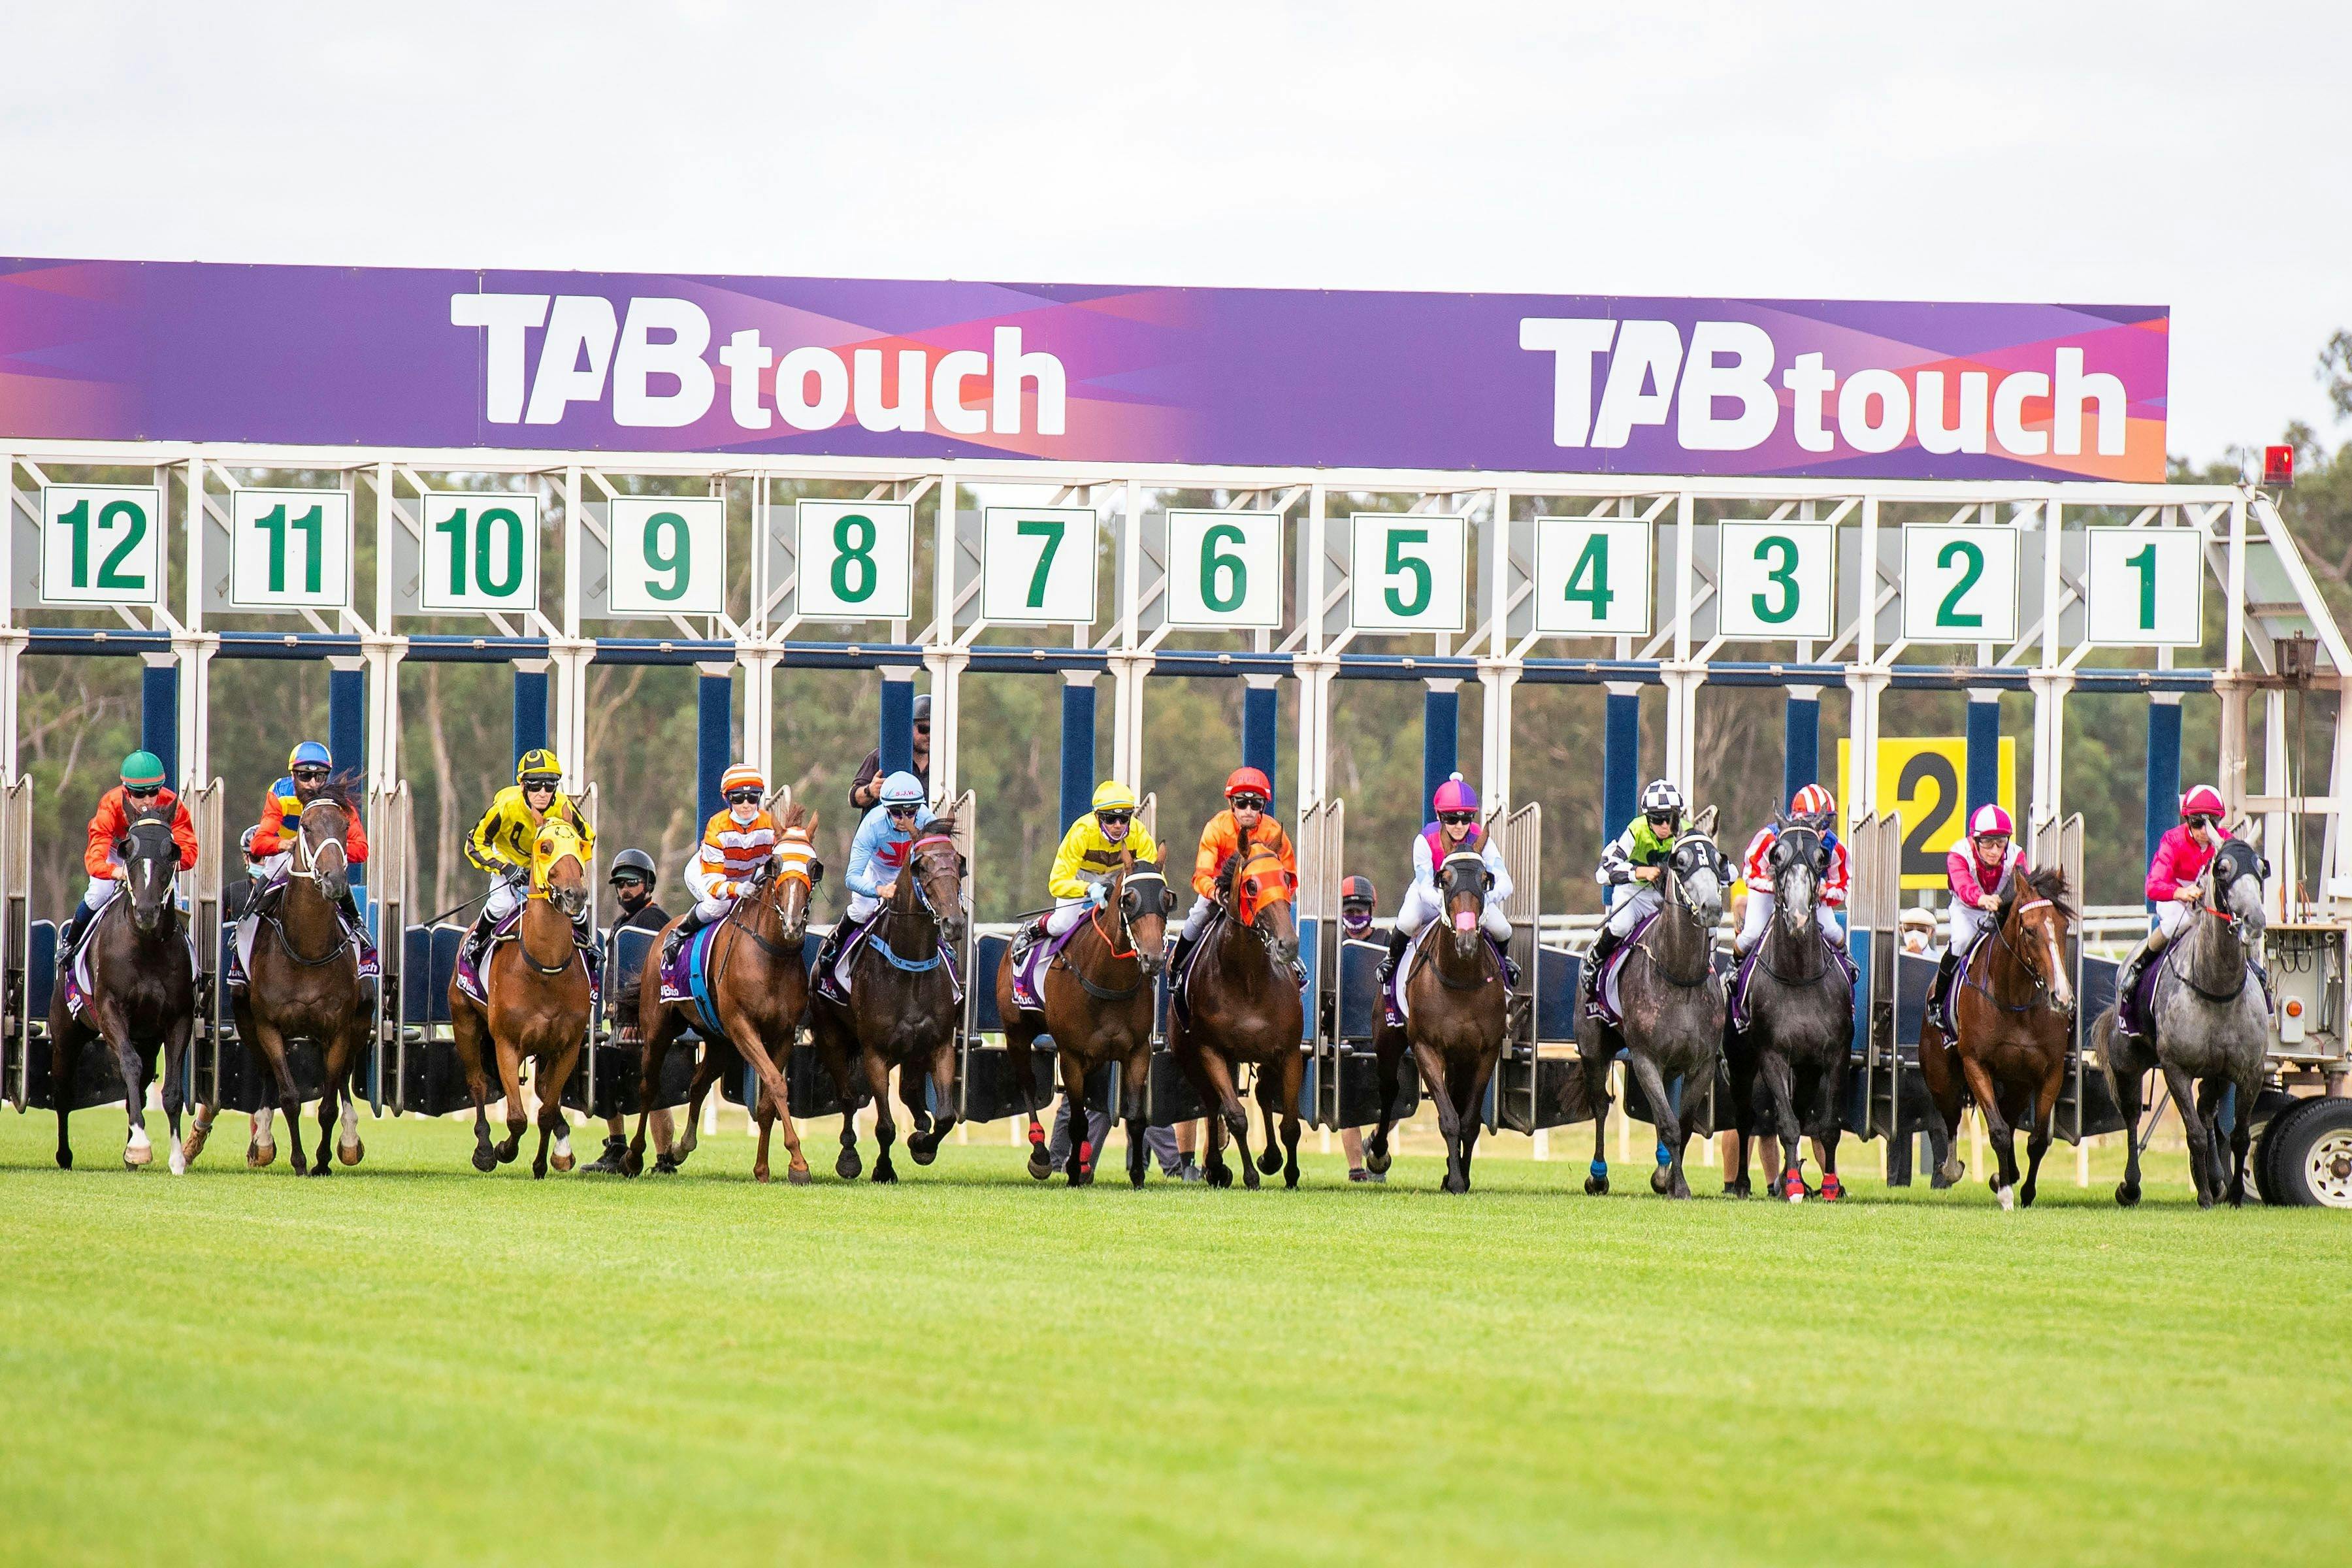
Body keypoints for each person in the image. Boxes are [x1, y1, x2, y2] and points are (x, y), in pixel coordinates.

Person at [1376, 774, 1515, 1026]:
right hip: (1432, 896)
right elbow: (1424, 885)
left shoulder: (1481, 840)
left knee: (1503, 928)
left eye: (1466, 819)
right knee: (1407, 921)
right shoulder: (1424, 840)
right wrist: (1447, 905)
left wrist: (1484, 899)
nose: (1460, 826)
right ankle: (1392, 962)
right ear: (1440, 817)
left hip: (1469, 902)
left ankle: (1504, 966)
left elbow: (1505, 881)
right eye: (1452, 819)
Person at [456, 749, 598, 973]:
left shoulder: (563, 806)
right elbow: (474, 843)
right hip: (509, 861)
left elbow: (587, 838)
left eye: (549, 786)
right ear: (523, 786)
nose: (542, 793)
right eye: (535, 786)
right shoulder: (505, 807)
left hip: (547, 869)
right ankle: (477, 942)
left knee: (576, 906)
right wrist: (505, 868)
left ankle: (587, 946)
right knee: (501, 903)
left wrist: (567, 866)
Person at [240, 740, 373, 977]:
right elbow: (259, 843)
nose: (312, 784)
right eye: (305, 776)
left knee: (338, 878)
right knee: (254, 906)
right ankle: (240, 953)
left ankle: (358, 929)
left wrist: (331, 850)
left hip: (324, 859)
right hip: (286, 856)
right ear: (293, 775)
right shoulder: (279, 793)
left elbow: (361, 849)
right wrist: (284, 844)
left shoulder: (339, 801)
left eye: (320, 776)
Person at [57, 751, 200, 968]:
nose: (148, 801)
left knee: (175, 902)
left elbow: (189, 850)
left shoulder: (172, 805)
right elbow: (94, 859)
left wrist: (168, 863)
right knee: (99, 894)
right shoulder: (110, 805)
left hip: (155, 859)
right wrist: (117, 872)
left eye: (153, 792)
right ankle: (71, 942)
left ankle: (187, 960)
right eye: (139, 794)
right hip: (118, 854)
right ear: (126, 791)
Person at [1166, 766, 1297, 982]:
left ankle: (1296, 972)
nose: (1248, 810)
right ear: (1232, 804)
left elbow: (1289, 877)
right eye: (1242, 803)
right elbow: (1202, 876)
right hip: (1222, 891)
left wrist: (1276, 900)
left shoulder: (1274, 832)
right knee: (1199, 914)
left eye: (1255, 804)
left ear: (1263, 806)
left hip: (1260, 897)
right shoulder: (1216, 827)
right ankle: (1177, 968)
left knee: (1282, 922)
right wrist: (1216, 894)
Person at [2114, 785, 2230, 1018]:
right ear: (2187, 820)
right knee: (2183, 921)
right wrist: (2181, 893)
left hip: (2209, 901)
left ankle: (2256, 973)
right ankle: (2139, 966)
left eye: (2212, 823)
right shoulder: (2172, 840)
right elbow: (2153, 886)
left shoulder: (2227, 842)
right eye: (2197, 823)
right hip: (2175, 898)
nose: (2204, 831)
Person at [1012, 780, 1162, 958]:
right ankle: (1033, 928)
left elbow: (1152, 879)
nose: (1118, 825)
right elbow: (1057, 883)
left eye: (1124, 818)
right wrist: (1089, 888)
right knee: (1062, 924)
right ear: (1097, 817)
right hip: (1081, 876)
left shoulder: (1139, 834)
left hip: (1118, 876)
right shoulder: (1081, 832)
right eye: (1110, 818)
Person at [1582, 778, 1691, 1015]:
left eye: (1671, 818)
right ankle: (1594, 960)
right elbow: (1604, 871)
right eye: (1658, 820)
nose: (1665, 826)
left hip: (1664, 897)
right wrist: (1640, 872)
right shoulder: (1636, 829)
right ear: (1648, 819)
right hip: (1633, 893)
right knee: (1621, 925)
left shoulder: (1685, 830)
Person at [589, 847, 668, 1174]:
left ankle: (664, 1160)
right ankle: (617, 1146)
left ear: (648, 884)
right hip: (618, 1023)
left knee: (656, 1090)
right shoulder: (621, 922)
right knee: (606, 1077)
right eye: (620, 884)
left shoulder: (655, 920)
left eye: (632, 882)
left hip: (649, 1025)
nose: (625, 890)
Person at [815, 770, 936, 980]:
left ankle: (947, 952)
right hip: (877, 872)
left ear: (919, 808)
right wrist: (879, 890)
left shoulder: (928, 820)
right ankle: (835, 947)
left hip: (911, 873)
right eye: (897, 813)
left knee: (934, 908)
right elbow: (851, 878)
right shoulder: (872, 825)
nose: (904, 820)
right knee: (862, 910)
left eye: (911, 812)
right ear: (886, 809)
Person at [662, 764, 779, 968]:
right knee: (719, 906)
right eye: (738, 798)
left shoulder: (770, 826)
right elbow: (714, 884)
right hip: (706, 873)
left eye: (752, 797)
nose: (746, 804)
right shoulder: (717, 827)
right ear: (728, 799)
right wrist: (736, 889)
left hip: (746, 875)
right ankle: (679, 934)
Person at [1926, 804, 2025, 1033]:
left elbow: (2022, 882)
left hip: (2001, 908)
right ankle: (1937, 1002)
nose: (1994, 850)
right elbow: (1962, 885)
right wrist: (1982, 899)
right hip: (1967, 909)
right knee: (1961, 941)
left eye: (2001, 842)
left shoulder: (2016, 854)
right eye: (1988, 843)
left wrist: (2002, 901)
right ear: (1975, 840)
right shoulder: (1959, 853)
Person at [1733, 783, 1850, 958]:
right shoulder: (1770, 837)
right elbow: (1750, 873)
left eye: (1827, 822)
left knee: (1832, 931)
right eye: (1817, 821)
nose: (1822, 830)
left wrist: (1825, 890)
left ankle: (1846, 961)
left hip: (1810, 893)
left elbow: (1842, 885)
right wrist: (1773, 886)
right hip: (1771, 890)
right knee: (1752, 934)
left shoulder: (1835, 848)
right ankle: (1735, 965)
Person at [1337, 874, 1382, 1183]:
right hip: (1346, 1034)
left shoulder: (1387, 941)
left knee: (1393, 1100)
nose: (1355, 917)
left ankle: (1377, 1140)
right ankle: (1356, 1170)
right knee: (1347, 1104)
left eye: (1360, 911)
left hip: (1381, 1032)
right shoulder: (1333, 942)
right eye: (1349, 911)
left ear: (1371, 910)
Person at [847, 693, 932, 811]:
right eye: (924, 729)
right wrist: (870, 790)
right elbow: (853, 797)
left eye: (935, 729)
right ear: (908, 727)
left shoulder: (942, 766)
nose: (929, 735)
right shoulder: (882, 757)